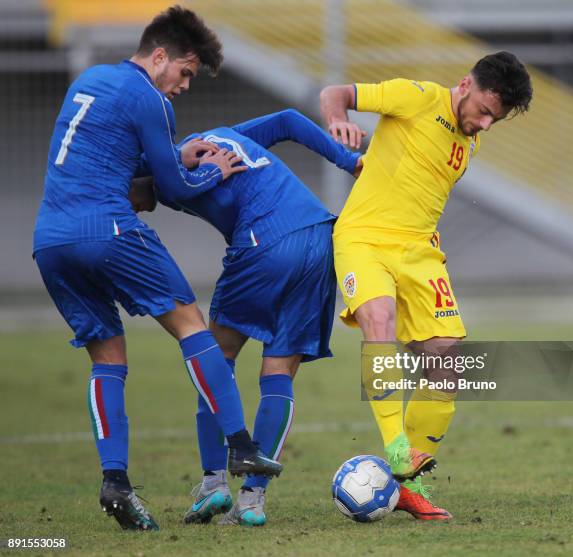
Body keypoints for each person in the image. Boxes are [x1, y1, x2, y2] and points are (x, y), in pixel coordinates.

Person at [32, 6, 281, 532]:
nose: (185, 86)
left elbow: (112, 153)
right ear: (160, 55)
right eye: (186, 72)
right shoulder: (151, 97)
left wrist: (175, 154)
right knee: (192, 324)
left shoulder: (91, 79)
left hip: (50, 239)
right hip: (109, 230)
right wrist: (210, 169)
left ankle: (116, 483)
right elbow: (172, 190)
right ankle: (240, 448)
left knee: (107, 356)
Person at [320, 51, 533, 520]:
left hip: (420, 253)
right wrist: (339, 121)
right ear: (465, 85)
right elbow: (334, 94)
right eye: (484, 111)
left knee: (448, 364)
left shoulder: (468, 143)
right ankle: (396, 449)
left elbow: (421, 191)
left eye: (495, 119)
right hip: (365, 238)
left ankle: (407, 484)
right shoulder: (414, 97)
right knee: (380, 319)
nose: (485, 125)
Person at [129, 108, 362, 526]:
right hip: (320, 237)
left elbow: (151, 164)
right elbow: (289, 119)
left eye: (121, 195)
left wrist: (139, 169)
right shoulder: (216, 132)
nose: (130, 209)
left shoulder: (170, 177)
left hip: (265, 243)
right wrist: (352, 161)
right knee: (279, 373)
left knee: (211, 359)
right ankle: (253, 501)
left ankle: (214, 484)